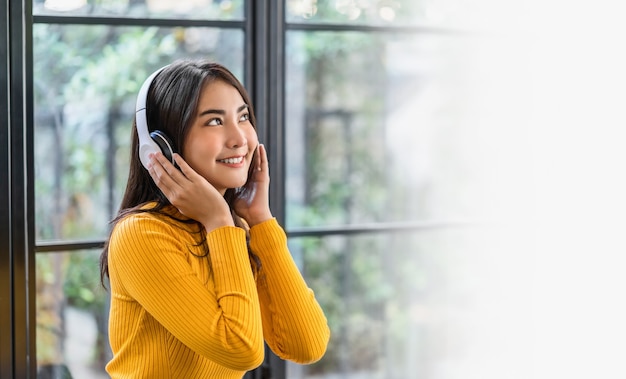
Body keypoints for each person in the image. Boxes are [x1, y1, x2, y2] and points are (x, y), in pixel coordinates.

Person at [99, 59, 330, 378]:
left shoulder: (235, 228)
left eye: (243, 116)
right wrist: (220, 222)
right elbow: (242, 350)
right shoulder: (141, 234)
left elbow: (307, 345)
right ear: (162, 146)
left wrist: (260, 220)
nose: (239, 139)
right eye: (213, 122)